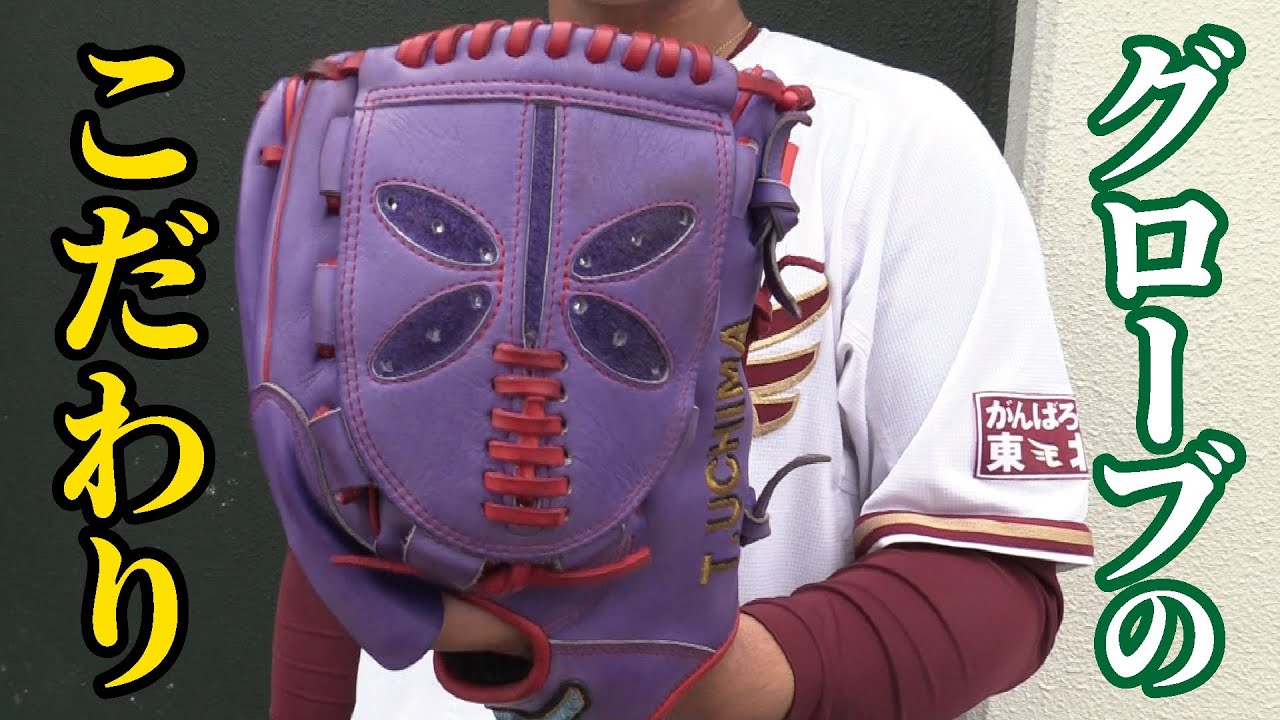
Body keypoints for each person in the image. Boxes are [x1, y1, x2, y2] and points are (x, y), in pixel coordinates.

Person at [269, 1, 1094, 718]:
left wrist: (704, 679)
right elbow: (336, 534)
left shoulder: (901, 136)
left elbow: (996, 576)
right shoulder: (387, 122)